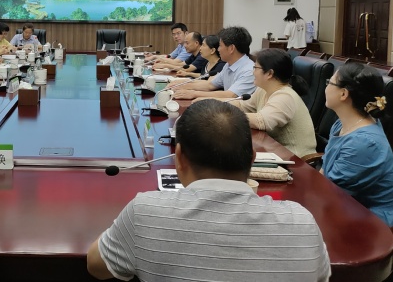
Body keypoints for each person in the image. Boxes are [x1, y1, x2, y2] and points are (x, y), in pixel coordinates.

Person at [87, 100, 330, 282]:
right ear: (252, 159)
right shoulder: (302, 223)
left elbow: (95, 266)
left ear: (179, 157)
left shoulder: (145, 213)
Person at [323, 63, 393, 226]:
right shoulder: (342, 124)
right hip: (343, 204)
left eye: (329, 82)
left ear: (343, 93)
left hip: (372, 222)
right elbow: (325, 168)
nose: (326, 88)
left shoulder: (364, 143)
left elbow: (333, 193)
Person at [228, 48, 317, 158]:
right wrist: (215, 104)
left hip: (296, 160)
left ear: (269, 73)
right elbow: (242, 106)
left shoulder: (285, 96)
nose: (253, 72)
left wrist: (224, 116)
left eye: (255, 68)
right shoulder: (263, 90)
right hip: (274, 153)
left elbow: (261, 121)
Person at [169, 26, 256, 100]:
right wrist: (181, 85)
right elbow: (210, 85)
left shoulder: (248, 70)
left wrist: (194, 94)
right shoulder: (228, 65)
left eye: (220, 46)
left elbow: (230, 95)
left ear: (231, 48)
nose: (218, 49)